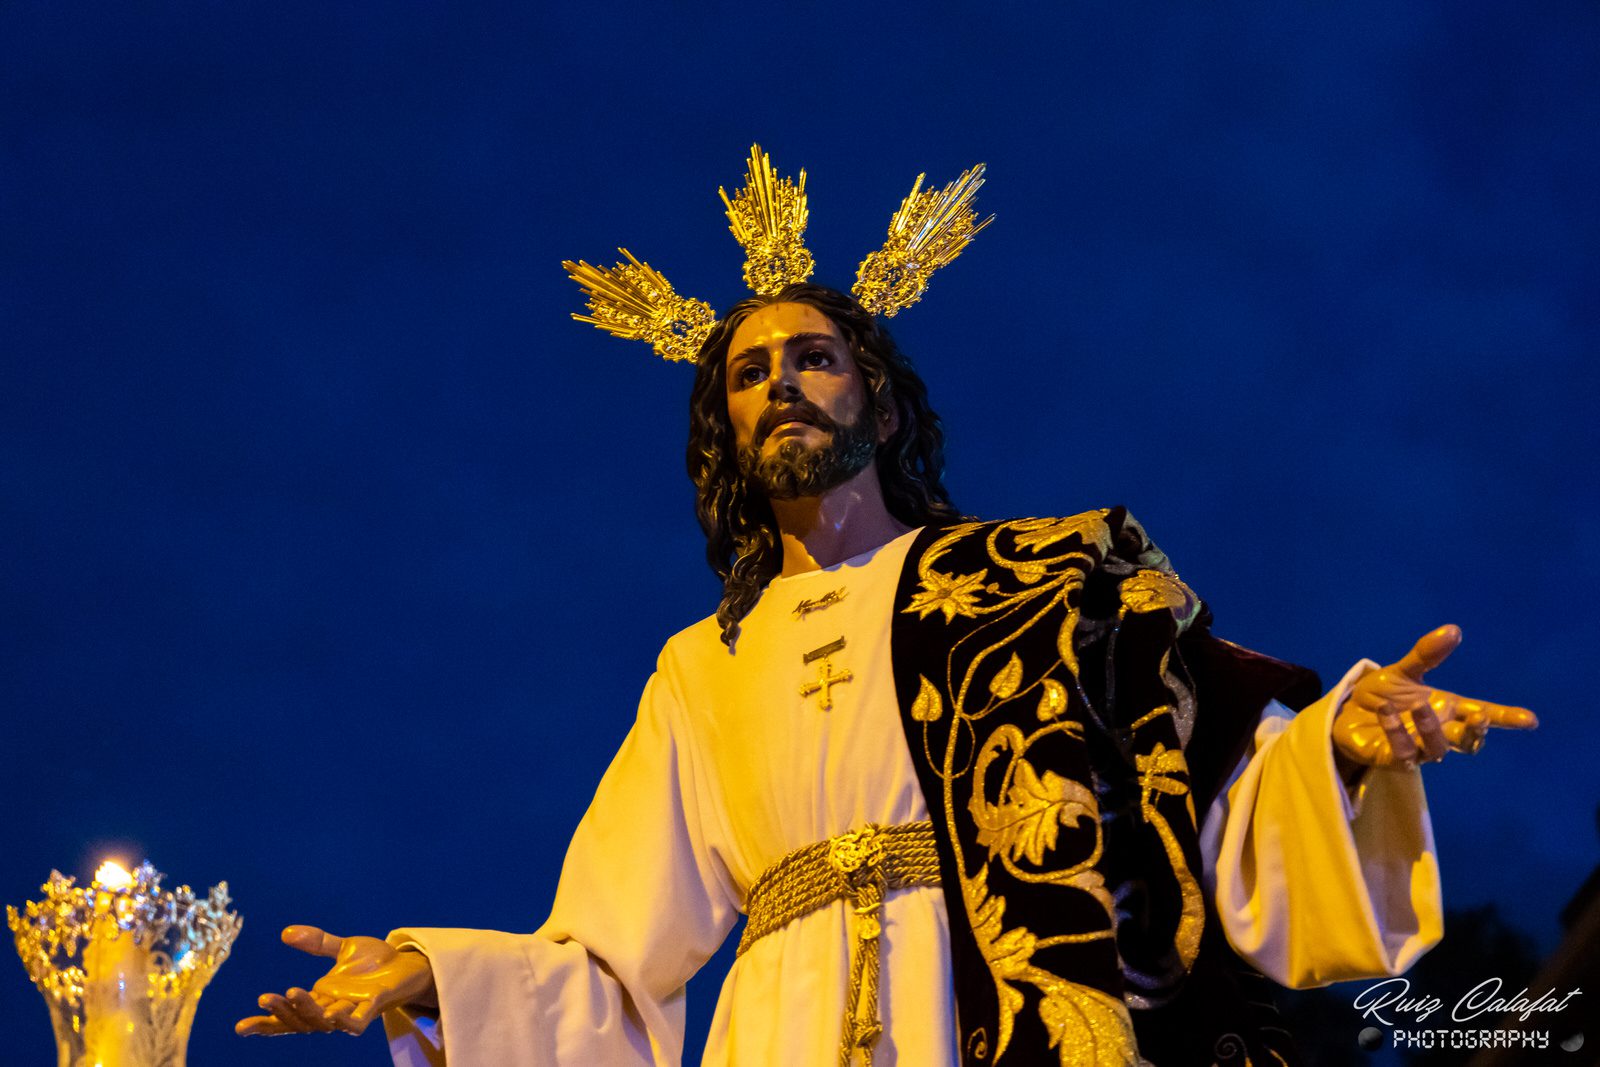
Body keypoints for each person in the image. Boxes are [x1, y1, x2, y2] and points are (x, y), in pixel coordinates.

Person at [237, 152, 1537, 1066]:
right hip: (780, 1024)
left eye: (815, 357)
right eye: (751, 374)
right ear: (726, 435)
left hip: (1003, 1004)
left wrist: (1340, 749)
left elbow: (1187, 781)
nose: (784, 385)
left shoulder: (1042, 587)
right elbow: (608, 962)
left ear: (887, 402)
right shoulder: (702, 666)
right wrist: (430, 975)